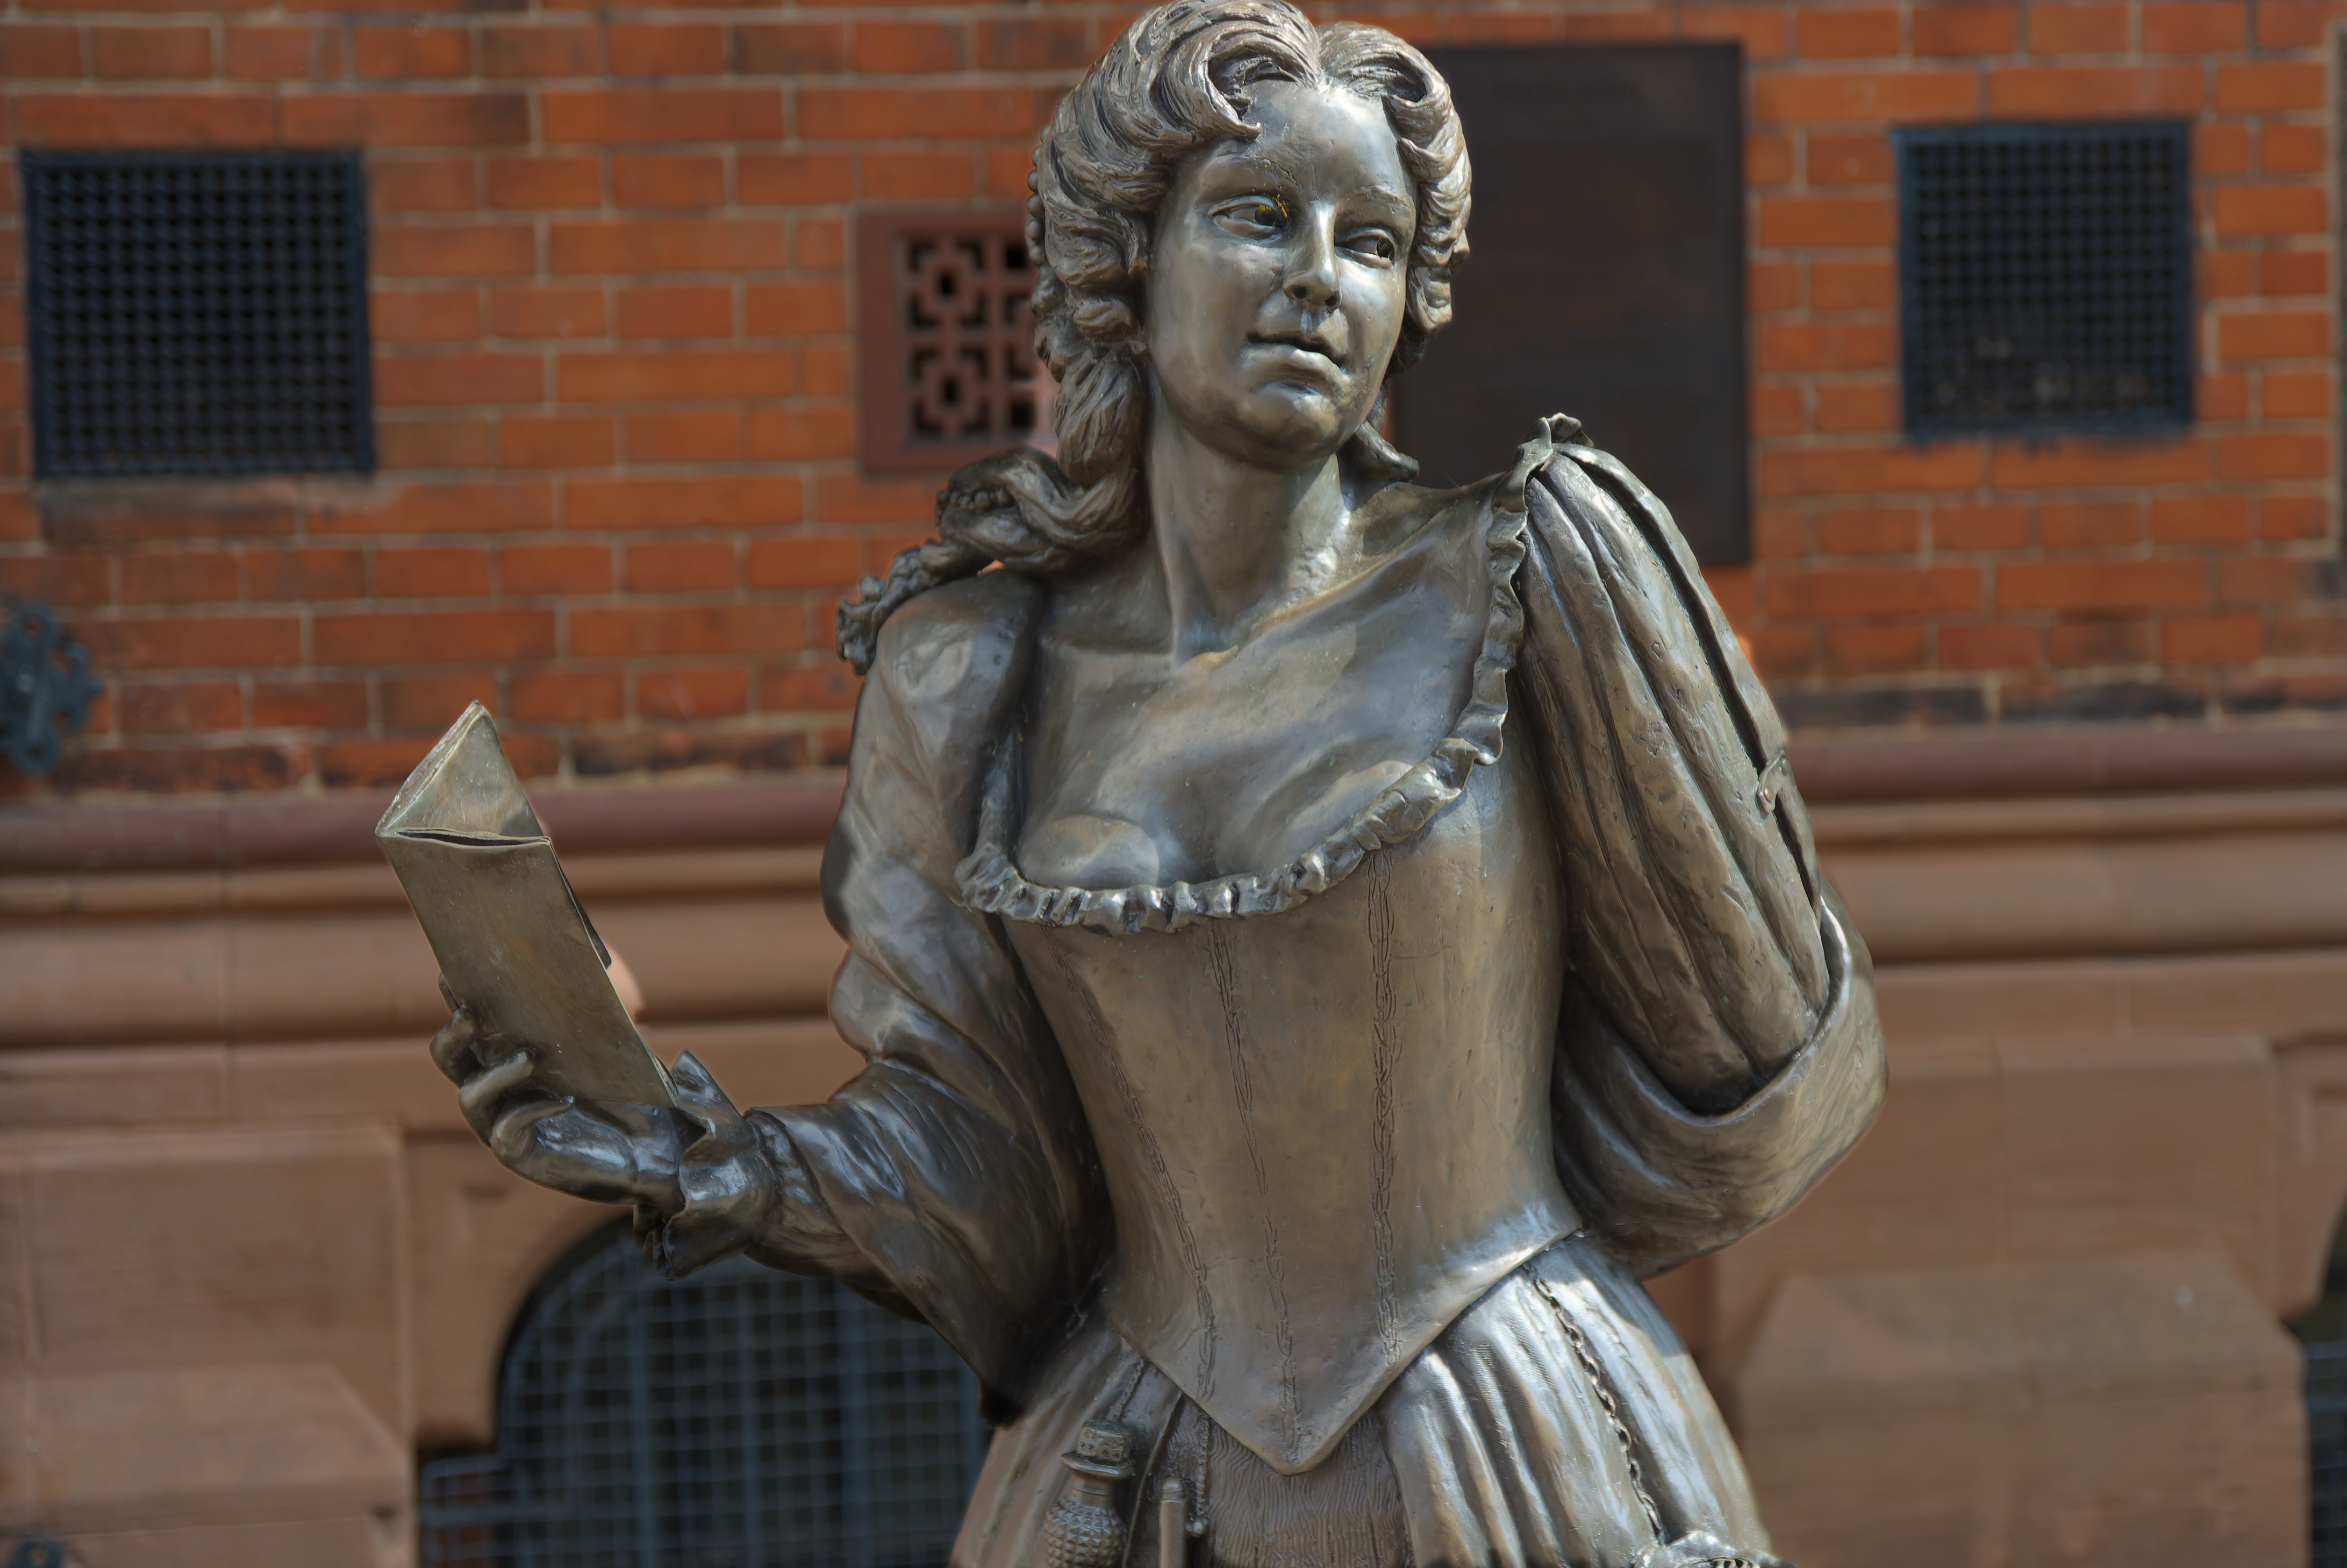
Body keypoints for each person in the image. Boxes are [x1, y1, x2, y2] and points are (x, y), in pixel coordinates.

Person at [431, 3, 1885, 1562]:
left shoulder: (1535, 582)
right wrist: (711, 1160)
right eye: (1261, 217)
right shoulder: (973, 672)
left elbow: (1770, 1073)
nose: (1320, 278)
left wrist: (1509, 1251)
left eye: (1374, 242)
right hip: (1128, 1471)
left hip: (1500, 1437)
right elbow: (983, 1153)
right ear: (1133, 257)